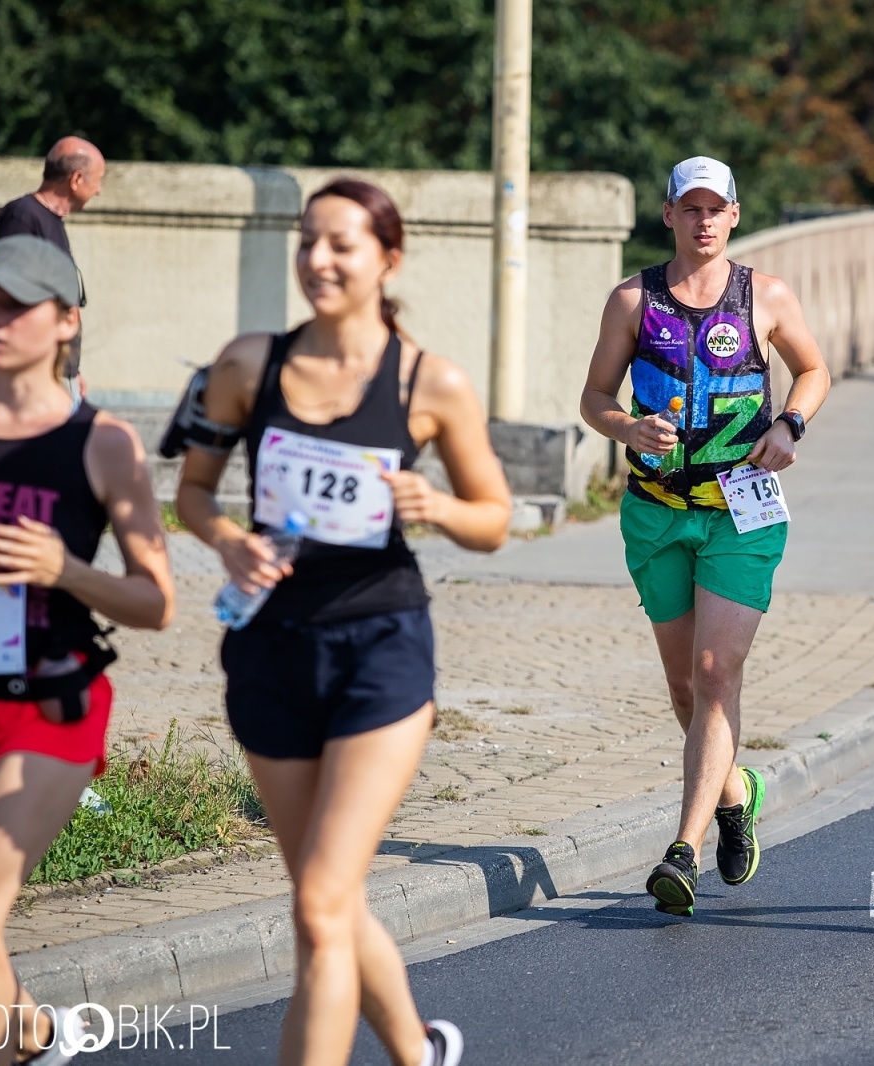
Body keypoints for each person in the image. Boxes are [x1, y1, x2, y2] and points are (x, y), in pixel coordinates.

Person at [176, 179, 512, 1066]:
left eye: (341, 245)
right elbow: (194, 494)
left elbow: (495, 519)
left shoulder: (428, 379)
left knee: (321, 905)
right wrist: (227, 541)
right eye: (307, 241)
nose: (318, 260)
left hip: (381, 649)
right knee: (325, 895)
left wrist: (433, 503)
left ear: (387, 259)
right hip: (271, 649)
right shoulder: (249, 364)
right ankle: (419, 1049)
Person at [579, 156, 829, 917]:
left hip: (738, 510)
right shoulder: (632, 299)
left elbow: (814, 370)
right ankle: (736, 791)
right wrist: (627, 425)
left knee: (717, 674)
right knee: (685, 687)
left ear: (735, 213)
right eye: (690, 208)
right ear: (668, 215)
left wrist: (791, 423)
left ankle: (682, 850)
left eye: (715, 208)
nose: (704, 221)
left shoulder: (766, 295)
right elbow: (594, 398)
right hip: (655, 510)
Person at [0, 236, 173, 1066]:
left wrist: (65, 569)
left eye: (17, 304)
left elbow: (155, 600)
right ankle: (41, 1036)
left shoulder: (102, 443)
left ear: (66, 321)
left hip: (49, 705)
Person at [0, 137, 103, 395]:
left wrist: (72, 370)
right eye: (97, 180)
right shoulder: (22, 217)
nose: (99, 190)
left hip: (56, 374)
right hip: (29, 376)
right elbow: (2, 297)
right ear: (76, 179)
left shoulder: (50, 221)